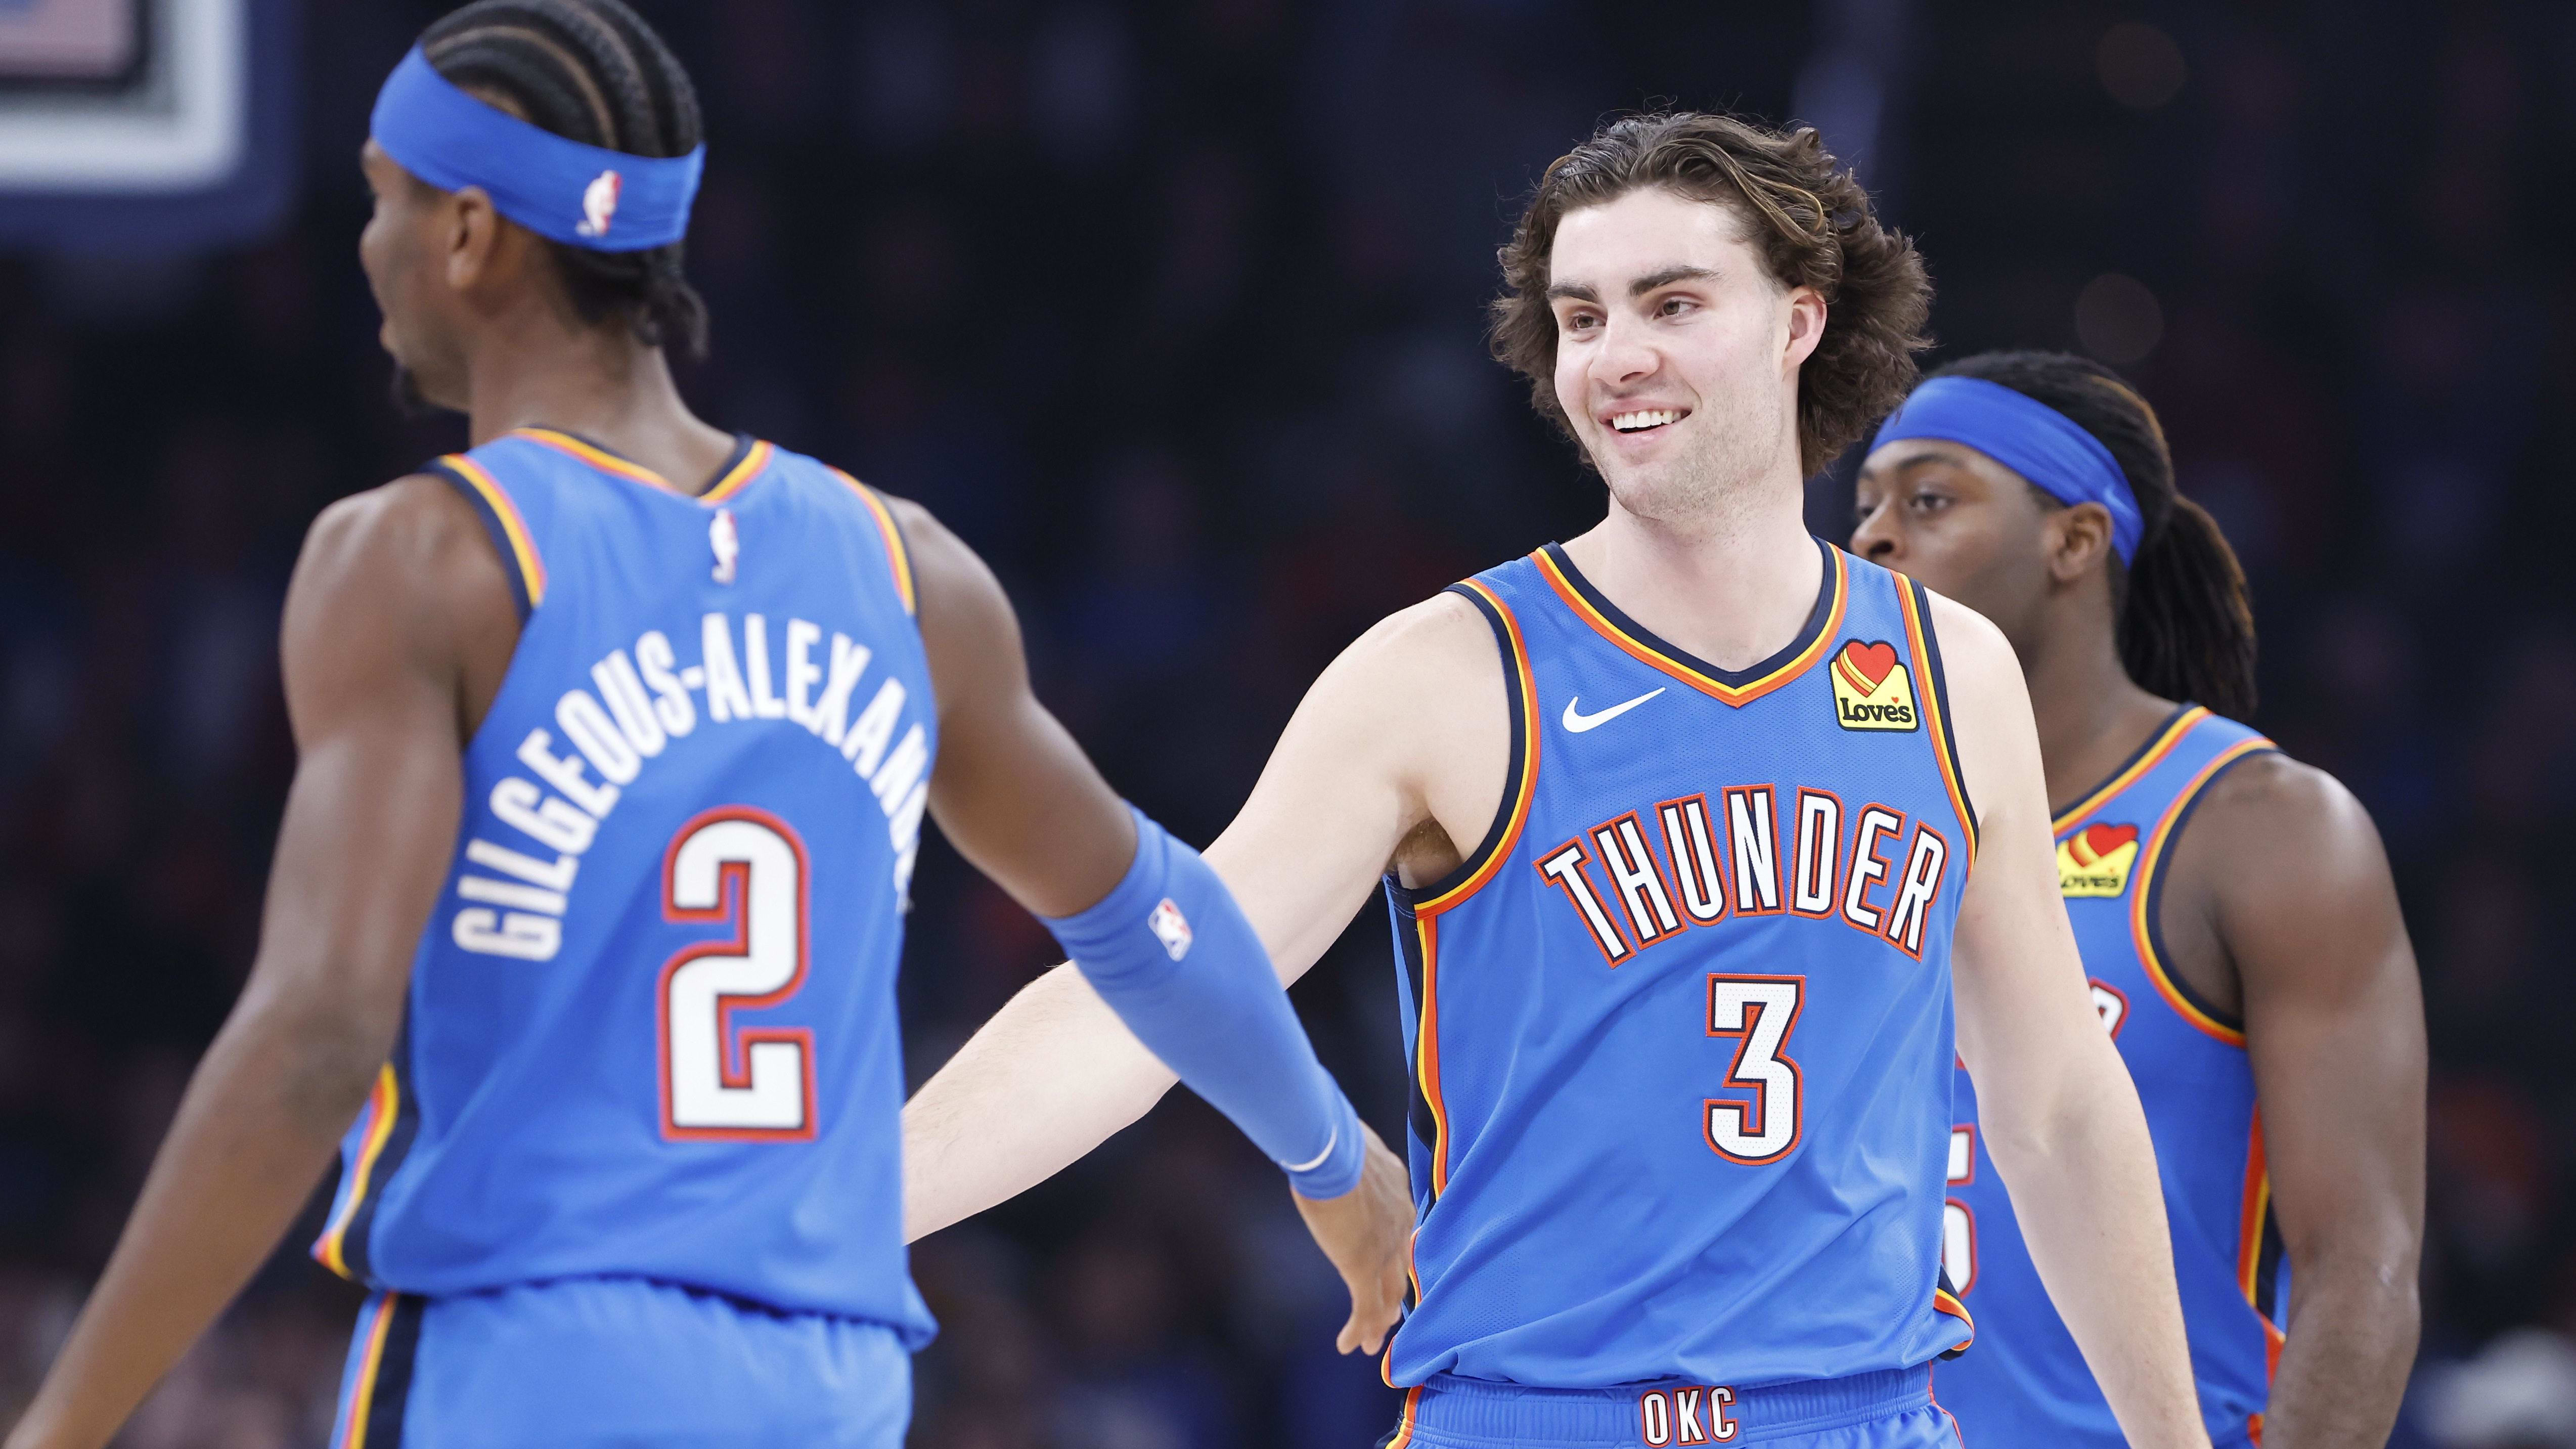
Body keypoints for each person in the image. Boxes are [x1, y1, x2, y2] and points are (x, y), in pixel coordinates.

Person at [0, 5, 1411, 1446]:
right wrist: (1324, 1148)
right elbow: (1150, 915)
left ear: (473, 234)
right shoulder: (903, 569)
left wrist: (63, 1424)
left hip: (532, 1362)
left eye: (382, 198)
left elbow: (314, 1039)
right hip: (826, 1380)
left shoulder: (425, 559)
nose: (363, 246)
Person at [904, 112, 2214, 1449]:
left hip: (1859, 1416)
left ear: (1797, 323)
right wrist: (840, 1209)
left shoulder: (1949, 673)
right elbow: (1156, 981)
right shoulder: (1447, 674)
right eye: (1580, 316)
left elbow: (2051, 1102)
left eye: (1672, 302)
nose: (1617, 356)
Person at [1850, 353, 2426, 1449]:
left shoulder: (2258, 826)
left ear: (2072, 540)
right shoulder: (1836, 833)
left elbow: (2366, 1267)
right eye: (1866, 501)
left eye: (1930, 498)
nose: (1874, 535)